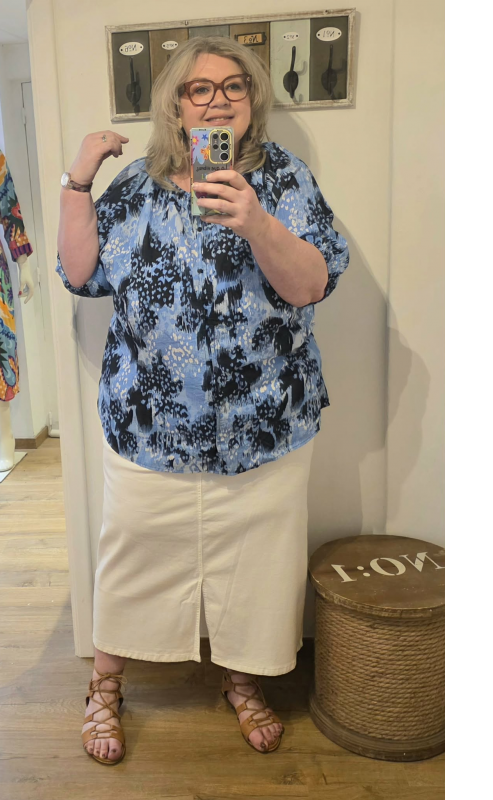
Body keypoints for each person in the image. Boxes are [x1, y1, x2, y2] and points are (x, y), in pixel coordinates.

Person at [56, 36, 349, 766]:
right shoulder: (139, 184)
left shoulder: (284, 179)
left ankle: (242, 680)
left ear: (252, 101)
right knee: (132, 556)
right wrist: (77, 181)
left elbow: (312, 284)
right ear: (176, 105)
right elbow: (80, 273)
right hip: (150, 422)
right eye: (200, 89)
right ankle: (104, 686)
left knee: (257, 565)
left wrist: (256, 222)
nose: (218, 100)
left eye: (233, 87)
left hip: (265, 422)